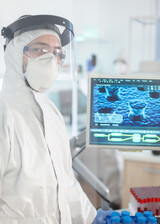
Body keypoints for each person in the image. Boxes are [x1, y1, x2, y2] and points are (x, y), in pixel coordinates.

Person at [0, 15, 108, 224]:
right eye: (39, 49)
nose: (51, 59)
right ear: (15, 54)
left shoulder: (52, 112)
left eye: (57, 53)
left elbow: (66, 182)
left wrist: (90, 218)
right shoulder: (4, 115)